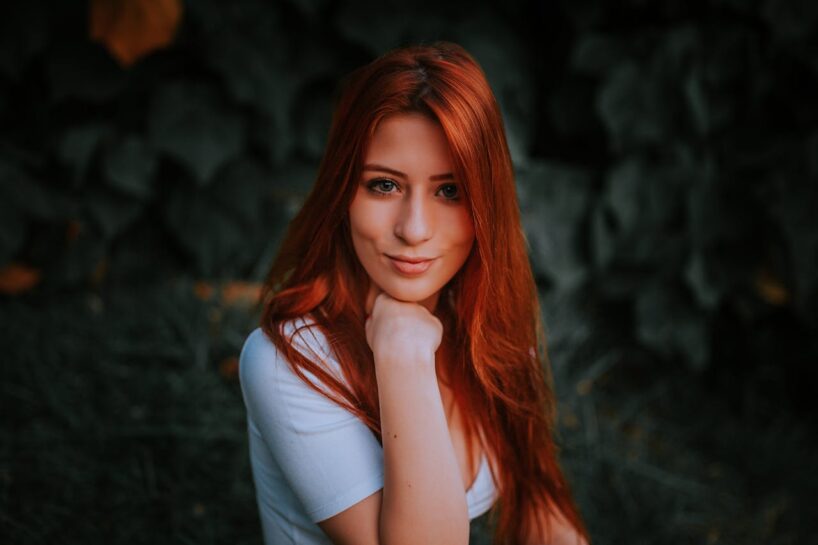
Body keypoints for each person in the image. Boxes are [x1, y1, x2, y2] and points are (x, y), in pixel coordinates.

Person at [238, 41, 590, 545]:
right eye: (384, 185)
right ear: (343, 191)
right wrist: (403, 354)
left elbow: (538, 502)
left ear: (486, 203)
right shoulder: (287, 362)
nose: (415, 229)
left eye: (450, 191)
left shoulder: (485, 323)